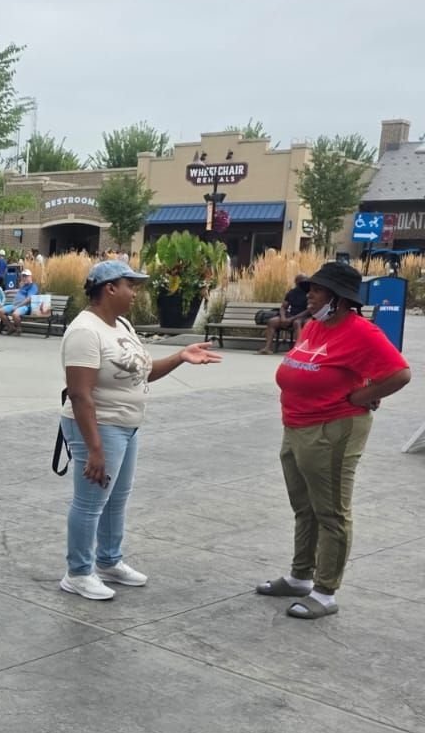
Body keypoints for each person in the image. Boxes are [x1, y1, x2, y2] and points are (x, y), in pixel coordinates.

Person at [59, 259, 221, 600]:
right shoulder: (85, 331)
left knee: (116, 499)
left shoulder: (121, 325)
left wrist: (180, 357)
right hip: (99, 426)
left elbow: (142, 372)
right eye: (130, 285)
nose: (135, 293)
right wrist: (96, 449)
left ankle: (108, 561)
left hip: (127, 425)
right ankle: (77, 572)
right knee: (90, 503)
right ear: (109, 288)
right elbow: (79, 393)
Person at [256, 261, 410, 619]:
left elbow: (400, 373)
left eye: (318, 290)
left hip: (333, 430)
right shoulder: (313, 327)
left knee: (331, 512)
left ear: (340, 299)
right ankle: (299, 577)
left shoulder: (362, 332)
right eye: (310, 288)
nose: (310, 294)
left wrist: (360, 395)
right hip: (295, 426)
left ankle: (325, 592)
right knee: (304, 508)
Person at [259, 271, 311, 354]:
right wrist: (283, 317)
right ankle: (268, 348)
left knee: (297, 323)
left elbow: (309, 310)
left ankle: (297, 349)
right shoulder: (292, 292)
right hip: (290, 316)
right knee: (272, 322)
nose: (302, 282)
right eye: (300, 281)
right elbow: (283, 307)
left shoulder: (310, 293)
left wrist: (291, 319)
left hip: (303, 316)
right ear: (296, 282)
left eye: (305, 280)